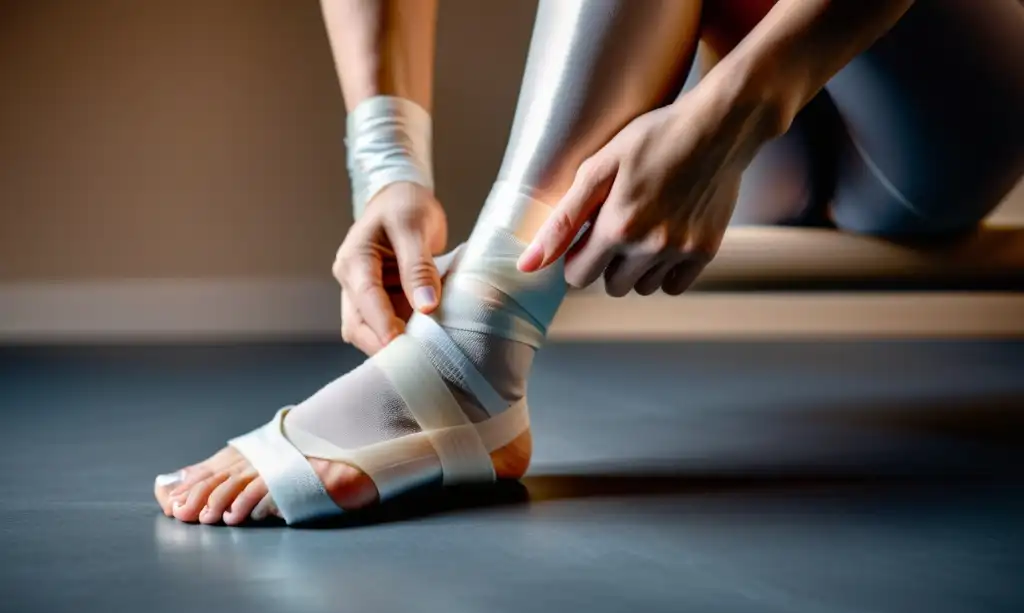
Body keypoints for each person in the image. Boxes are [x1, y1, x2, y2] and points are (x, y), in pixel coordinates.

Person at [154, 0, 1024, 525]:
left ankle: (473, 356)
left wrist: (736, 111)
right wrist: (385, 165)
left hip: (933, 107)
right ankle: (475, 347)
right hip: (740, 116)